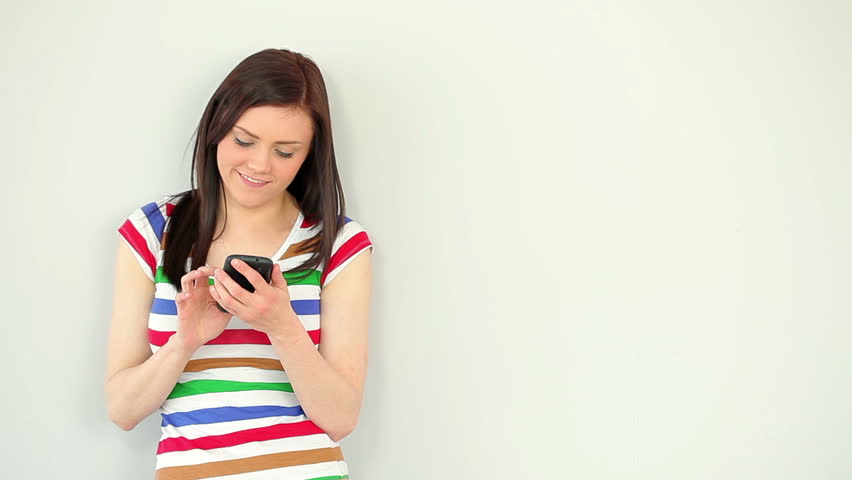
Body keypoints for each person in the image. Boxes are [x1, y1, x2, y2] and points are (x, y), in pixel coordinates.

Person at [105, 48, 374, 480]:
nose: (259, 165)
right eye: (243, 141)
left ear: (310, 154)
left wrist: (282, 325)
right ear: (216, 129)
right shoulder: (153, 232)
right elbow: (122, 409)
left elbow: (340, 419)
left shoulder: (338, 244)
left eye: (285, 152)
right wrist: (185, 341)